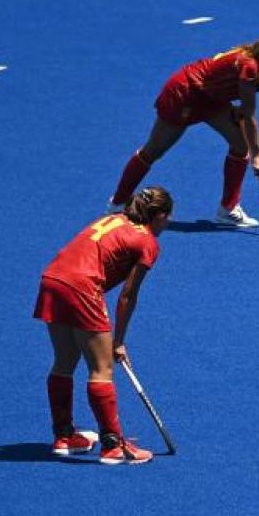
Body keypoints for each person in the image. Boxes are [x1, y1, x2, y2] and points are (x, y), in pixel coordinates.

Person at [33, 187, 172, 463]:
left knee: (65, 360)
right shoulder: (147, 242)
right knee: (102, 367)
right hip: (83, 287)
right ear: (159, 216)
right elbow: (128, 295)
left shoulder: (114, 219)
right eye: (168, 218)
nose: (167, 225)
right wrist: (118, 341)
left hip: (53, 279)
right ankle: (113, 445)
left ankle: (64, 436)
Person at [107, 34, 259, 227]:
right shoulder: (251, 67)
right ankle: (118, 204)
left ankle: (228, 210)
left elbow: (242, 107)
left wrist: (241, 119)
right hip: (186, 93)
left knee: (241, 145)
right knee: (153, 150)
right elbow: (249, 115)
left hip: (212, 99)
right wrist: (257, 153)